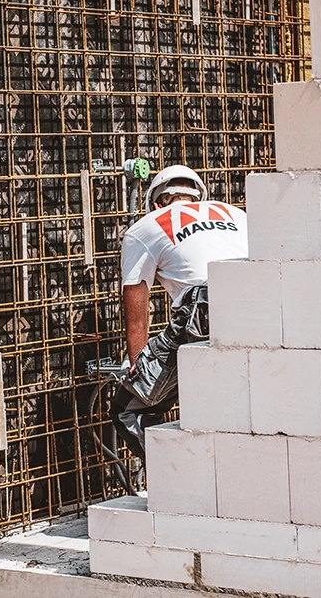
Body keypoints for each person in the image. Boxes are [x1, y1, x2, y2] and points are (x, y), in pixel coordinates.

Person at [110, 165, 247, 458]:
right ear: (197, 197)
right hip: (262, 303)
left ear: (157, 204)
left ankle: (173, 484)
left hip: (208, 307)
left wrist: (139, 370)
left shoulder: (146, 227)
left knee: (130, 409)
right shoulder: (234, 213)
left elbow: (136, 310)